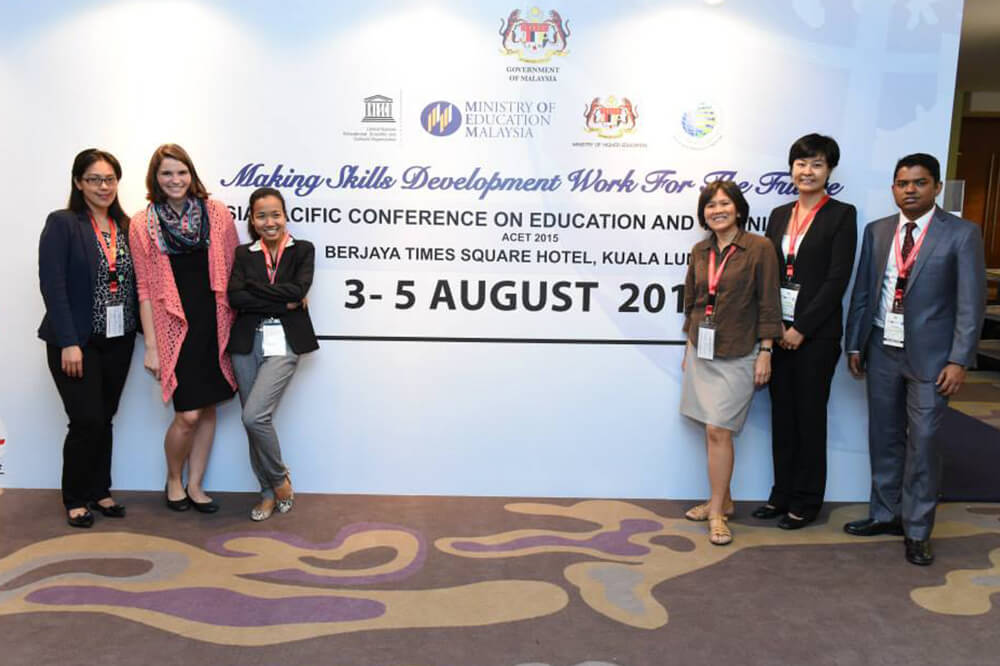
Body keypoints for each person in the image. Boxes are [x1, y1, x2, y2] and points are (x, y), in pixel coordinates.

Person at [843, 153, 986, 565]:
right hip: (881, 350)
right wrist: (855, 344)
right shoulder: (877, 231)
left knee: (923, 442)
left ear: (937, 187)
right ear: (893, 188)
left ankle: (918, 529)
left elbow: (970, 304)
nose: (910, 190)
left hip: (933, 359)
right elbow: (864, 293)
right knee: (883, 437)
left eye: (919, 182)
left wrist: (959, 360)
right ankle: (886, 514)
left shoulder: (961, 234)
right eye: (902, 183)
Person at [754, 134, 857, 529]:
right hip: (778, 331)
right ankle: (781, 495)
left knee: (809, 418)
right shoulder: (780, 214)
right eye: (801, 163)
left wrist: (802, 328)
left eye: (816, 164)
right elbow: (771, 275)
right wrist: (776, 325)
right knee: (782, 416)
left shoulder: (842, 215)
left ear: (829, 170)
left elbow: (837, 279)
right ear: (791, 168)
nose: (807, 171)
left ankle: (807, 500)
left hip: (817, 336)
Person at [129, 144, 239, 514]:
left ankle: (195, 485)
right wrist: (153, 347)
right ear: (155, 179)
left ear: (191, 174)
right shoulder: (142, 223)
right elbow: (144, 290)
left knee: (207, 409)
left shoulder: (217, 213)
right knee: (187, 414)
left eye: (181, 172)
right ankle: (173, 478)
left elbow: (235, 269)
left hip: (214, 321)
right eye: (166, 174)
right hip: (174, 325)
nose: (175, 180)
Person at [38, 149, 138, 527]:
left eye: (110, 179)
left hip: (119, 338)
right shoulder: (64, 223)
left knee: (105, 418)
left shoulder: (126, 226)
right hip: (76, 341)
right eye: (94, 179)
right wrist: (68, 341)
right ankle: (76, 498)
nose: (103, 186)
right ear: (79, 182)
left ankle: (101, 491)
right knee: (86, 420)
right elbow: (53, 284)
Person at [680, 180, 783, 545]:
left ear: (738, 209)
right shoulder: (699, 250)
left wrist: (766, 350)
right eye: (710, 205)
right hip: (701, 350)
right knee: (710, 429)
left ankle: (718, 511)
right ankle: (721, 499)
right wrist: (686, 348)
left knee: (719, 430)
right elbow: (692, 301)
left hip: (741, 351)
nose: (717, 210)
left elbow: (770, 302)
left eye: (724, 204)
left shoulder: (759, 248)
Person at [228, 187, 318, 521]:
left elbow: (298, 289)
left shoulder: (303, 250)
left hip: (285, 341)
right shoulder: (243, 254)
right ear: (252, 219)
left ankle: (280, 479)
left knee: (254, 416)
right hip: (247, 342)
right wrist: (283, 301)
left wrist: (256, 289)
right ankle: (267, 493)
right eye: (261, 215)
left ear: (285, 215)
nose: (270, 221)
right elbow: (236, 298)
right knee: (253, 423)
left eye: (275, 214)